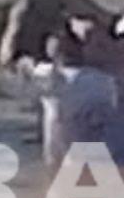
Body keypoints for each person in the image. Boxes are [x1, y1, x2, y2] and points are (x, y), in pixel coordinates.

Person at [15, 21, 117, 165]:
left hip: (58, 145)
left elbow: (26, 79)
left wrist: (24, 65)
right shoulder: (102, 79)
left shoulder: (47, 73)